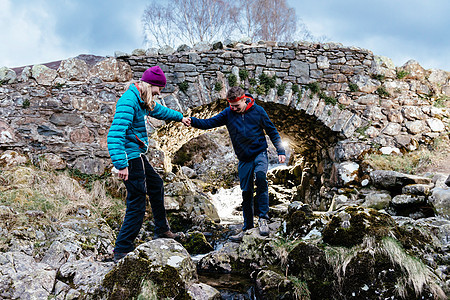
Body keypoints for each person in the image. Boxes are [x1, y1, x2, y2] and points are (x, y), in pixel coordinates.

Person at [107, 66, 191, 262]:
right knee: (137, 200)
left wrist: (180, 118)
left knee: (156, 184)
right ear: (148, 85)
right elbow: (115, 134)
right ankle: (122, 249)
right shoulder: (128, 101)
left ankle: (162, 230)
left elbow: (159, 111)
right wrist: (121, 164)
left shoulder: (141, 98)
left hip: (135, 152)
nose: (159, 93)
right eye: (158, 89)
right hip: (129, 156)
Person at [189, 86, 286, 241]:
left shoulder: (258, 111)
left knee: (261, 177)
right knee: (246, 192)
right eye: (231, 106)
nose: (234, 108)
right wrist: (192, 121)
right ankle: (247, 228)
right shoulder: (228, 113)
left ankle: (263, 219)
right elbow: (209, 123)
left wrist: (281, 151)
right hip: (244, 159)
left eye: (237, 106)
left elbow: (272, 131)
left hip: (260, 153)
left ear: (243, 99)